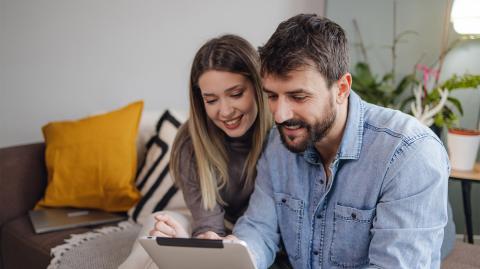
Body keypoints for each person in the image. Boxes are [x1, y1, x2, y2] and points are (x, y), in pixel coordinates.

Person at [232, 14, 450, 269]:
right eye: (272, 96)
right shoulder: (279, 144)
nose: (280, 115)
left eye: (298, 97)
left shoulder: (410, 154)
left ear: (342, 89)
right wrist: (234, 253)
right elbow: (259, 228)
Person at [119, 34, 272, 268]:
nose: (225, 111)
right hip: (218, 223)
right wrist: (205, 239)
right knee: (158, 225)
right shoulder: (191, 142)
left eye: (236, 94)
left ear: (258, 87)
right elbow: (208, 222)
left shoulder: (282, 137)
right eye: (211, 100)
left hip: (260, 234)